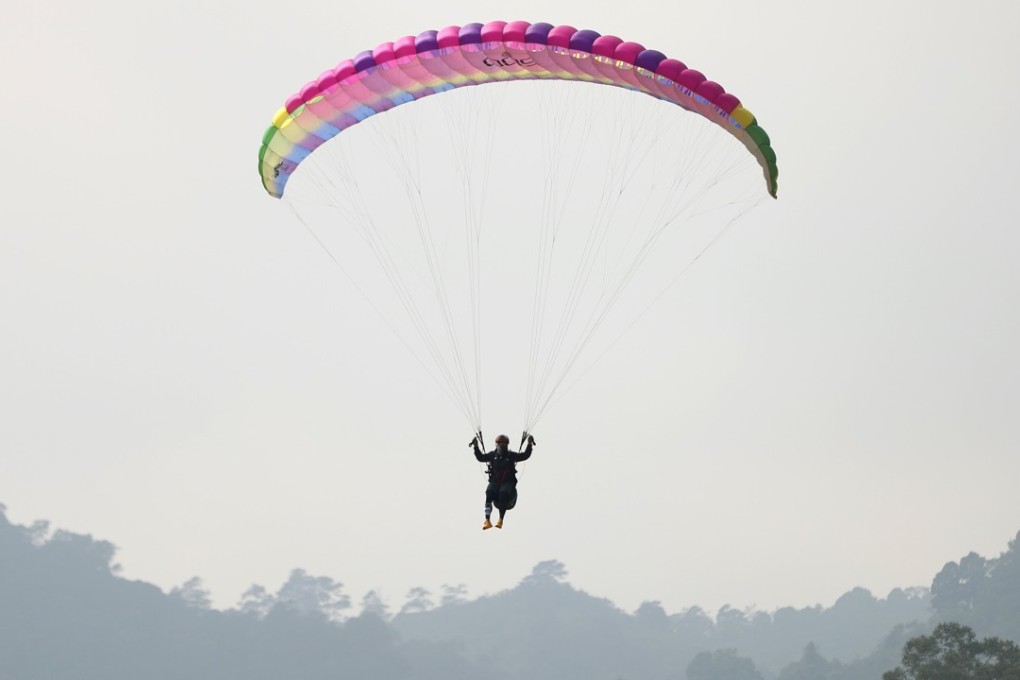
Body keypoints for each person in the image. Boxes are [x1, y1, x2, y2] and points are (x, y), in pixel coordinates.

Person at [470, 433, 535, 530]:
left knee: (503, 494)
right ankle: (487, 520)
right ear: (496, 444)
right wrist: (475, 446)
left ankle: (500, 520)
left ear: (507, 444)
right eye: (500, 443)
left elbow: (525, 455)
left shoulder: (511, 455)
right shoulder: (492, 455)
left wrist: (529, 444)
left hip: (508, 482)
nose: (502, 445)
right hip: (495, 482)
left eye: (504, 443)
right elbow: (480, 457)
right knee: (489, 494)